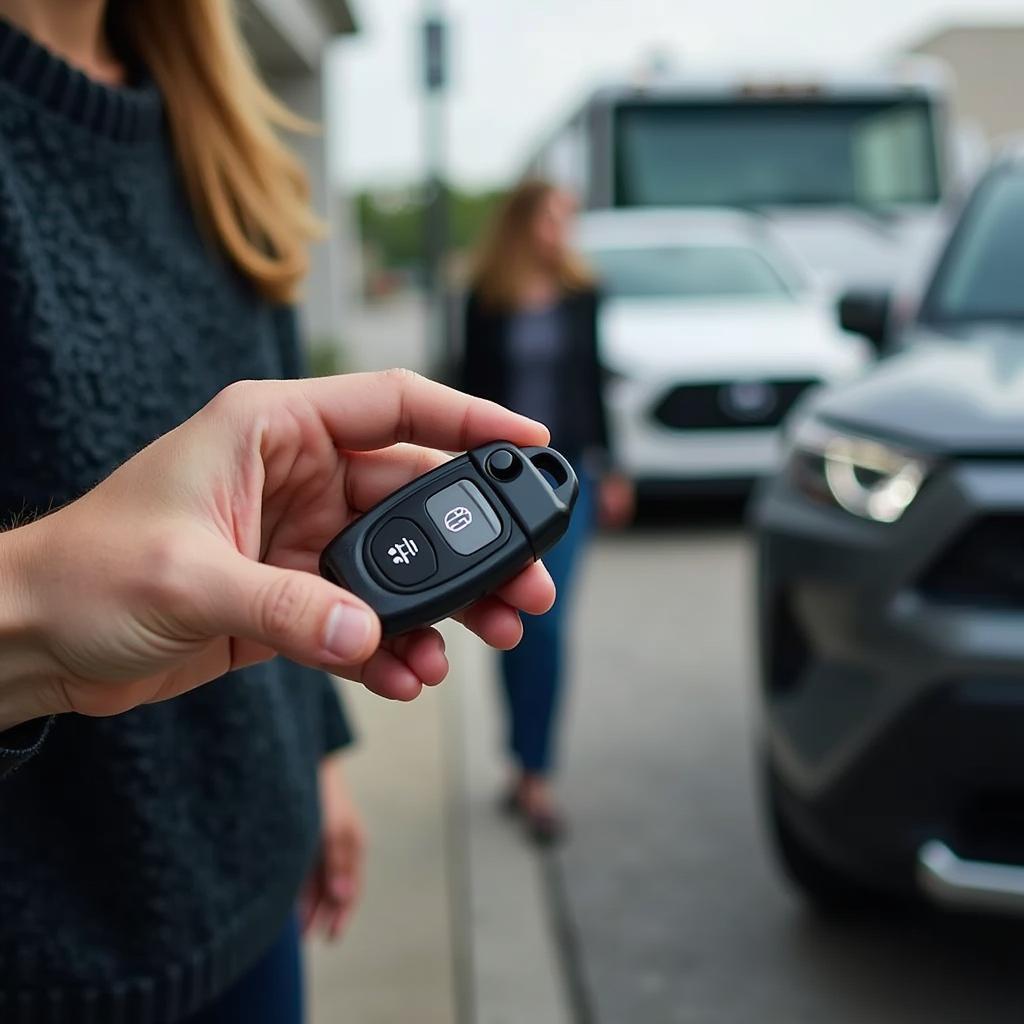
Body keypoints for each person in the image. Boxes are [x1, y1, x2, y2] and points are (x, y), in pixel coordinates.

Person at [0, 2, 553, 1020]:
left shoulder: (227, 147)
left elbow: (290, 528)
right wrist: (29, 607)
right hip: (37, 961)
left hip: (256, 884)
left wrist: (316, 759)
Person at [0, 372, 555, 1017]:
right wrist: (28, 608)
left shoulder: (265, 265)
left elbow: (299, 411)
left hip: (259, 864)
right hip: (45, 931)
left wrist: (318, 757)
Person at [461, 180, 634, 844]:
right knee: (509, 624)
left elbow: (592, 382)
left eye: (568, 216)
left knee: (548, 622)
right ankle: (519, 755)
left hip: (566, 482)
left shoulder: (581, 294)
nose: (561, 228)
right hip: (501, 484)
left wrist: (612, 465)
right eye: (551, 216)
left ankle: (537, 776)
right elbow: (468, 387)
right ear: (522, 222)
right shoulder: (487, 298)